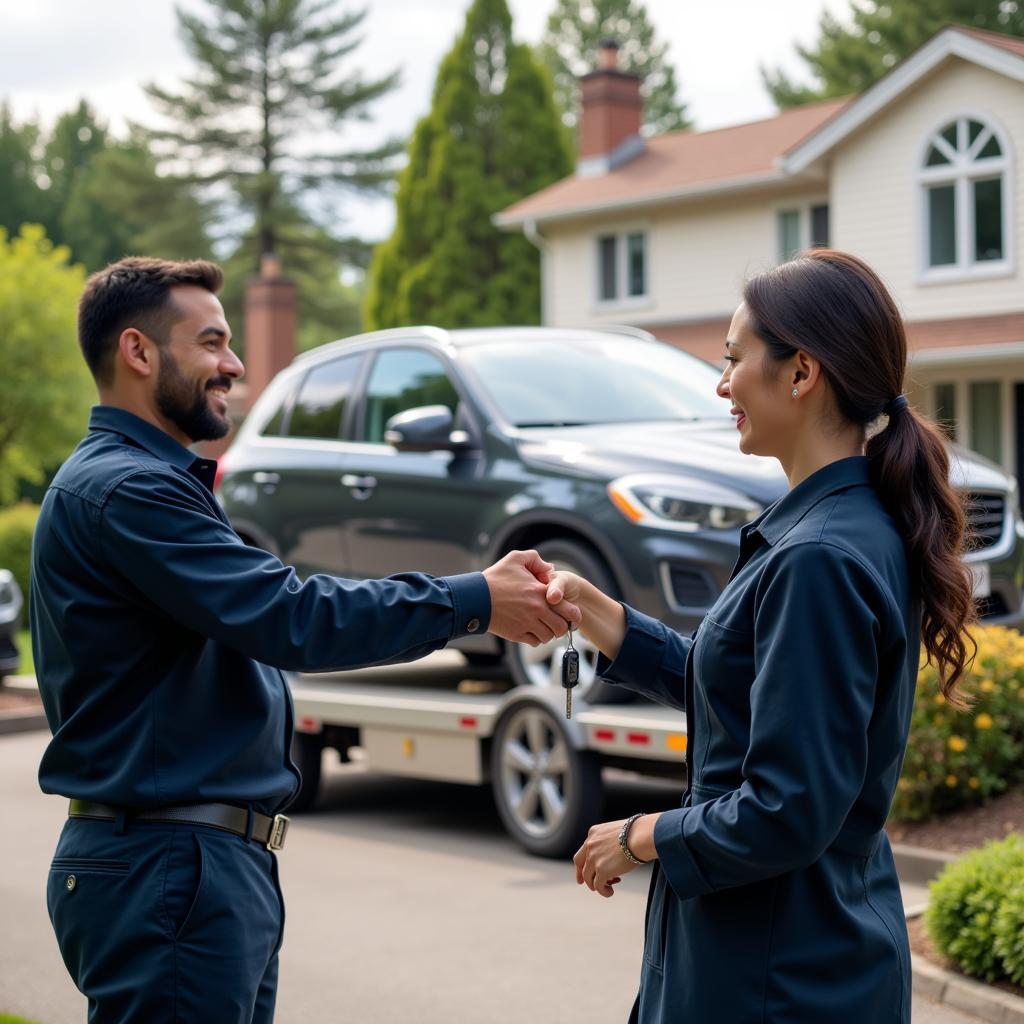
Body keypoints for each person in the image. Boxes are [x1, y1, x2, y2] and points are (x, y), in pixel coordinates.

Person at [31, 256, 579, 1024]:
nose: (235, 365)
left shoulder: (146, 484)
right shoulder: (131, 491)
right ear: (138, 352)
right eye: (213, 342)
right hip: (169, 867)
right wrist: (474, 599)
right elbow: (293, 616)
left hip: (191, 867)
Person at [543, 249, 976, 1023]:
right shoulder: (842, 530)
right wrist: (599, 615)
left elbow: (787, 807)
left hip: (777, 977)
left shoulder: (818, 558)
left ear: (801, 372)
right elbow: (745, 699)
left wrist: (641, 836)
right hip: (792, 955)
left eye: (734, 360)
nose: (721, 385)